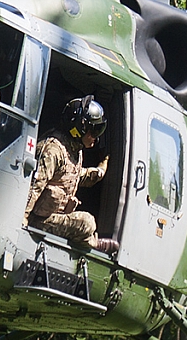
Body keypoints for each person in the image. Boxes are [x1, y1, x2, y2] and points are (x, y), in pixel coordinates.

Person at [23, 95, 118, 254]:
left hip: (52, 217)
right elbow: (34, 186)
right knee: (86, 223)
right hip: (37, 221)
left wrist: (102, 166)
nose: (95, 138)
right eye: (94, 131)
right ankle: (91, 242)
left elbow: (75, 175)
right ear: (79, 128)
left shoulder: (75, 150)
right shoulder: (53, 150)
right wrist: (22, 221)